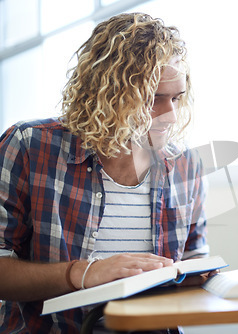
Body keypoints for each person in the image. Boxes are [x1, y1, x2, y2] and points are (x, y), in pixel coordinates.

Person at [0, 13, 211, 333]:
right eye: (154, 99)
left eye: (177, 98)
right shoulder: (29, 147)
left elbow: (195, 265)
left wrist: (199, 276)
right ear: (107, 93)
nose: (170, 114)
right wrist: (79, 274)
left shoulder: (185, 166)